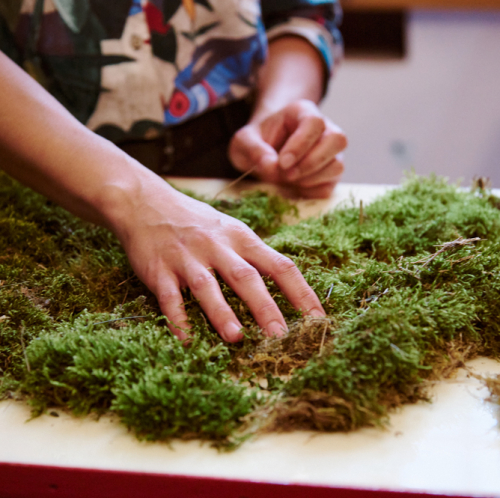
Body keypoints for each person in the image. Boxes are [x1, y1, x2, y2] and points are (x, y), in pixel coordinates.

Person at [0, 0, 347, 343]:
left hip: (230, 162)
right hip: (40, 170)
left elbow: (300, 11)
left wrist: (275, 110)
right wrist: (135, 198)